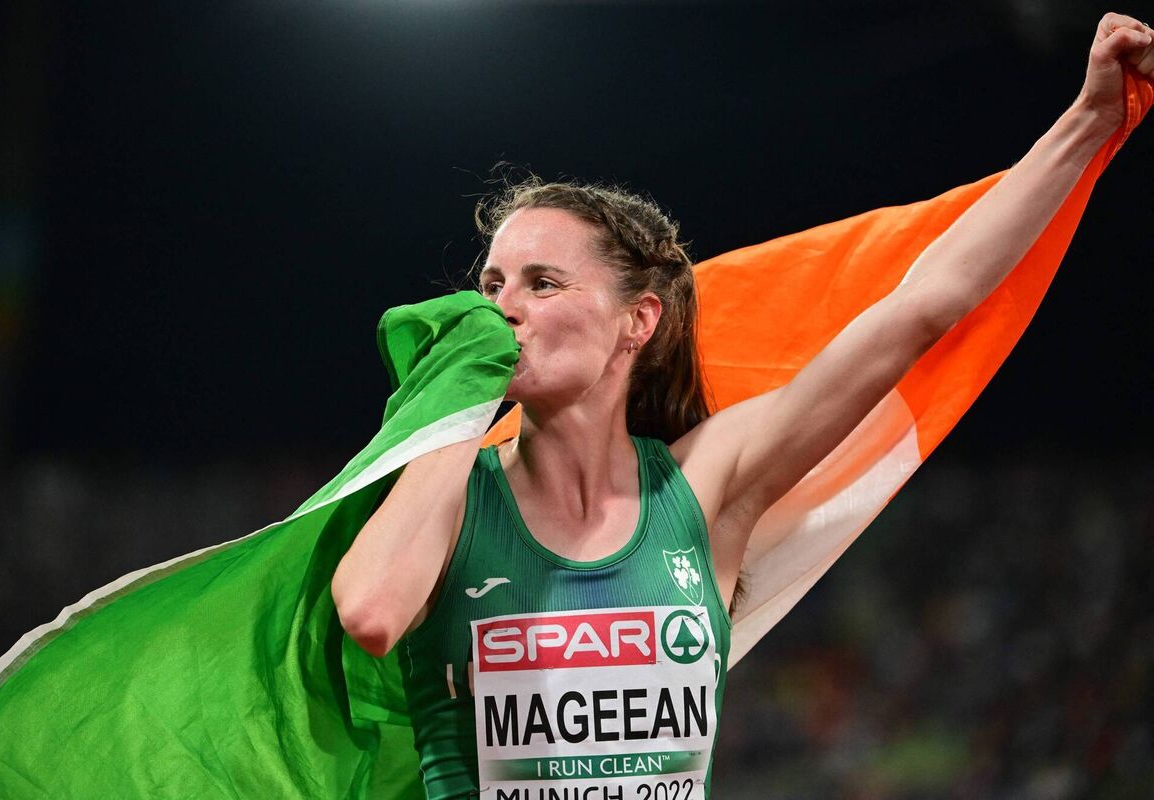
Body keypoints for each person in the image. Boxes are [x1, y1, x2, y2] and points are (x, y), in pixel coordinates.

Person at [331, 14, 1153, 799]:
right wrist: (453, 405)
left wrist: (1090, 120)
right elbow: (370, 614)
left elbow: (922, 307)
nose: (504, 308)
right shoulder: (450, 495)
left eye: (542, 283)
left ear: (636, 322)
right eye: (492, 286)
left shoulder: (704, 489)